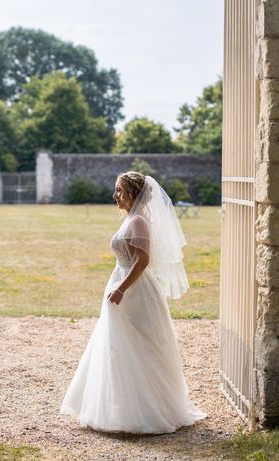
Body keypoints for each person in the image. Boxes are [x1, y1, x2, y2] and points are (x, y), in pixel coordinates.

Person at [61, 171, 206, 434]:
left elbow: (142, 261)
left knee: (138, 344)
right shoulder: (131, 219)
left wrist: (121, 289)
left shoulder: (139, 221)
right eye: (116, 190)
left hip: (134, 290)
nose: (114, 195)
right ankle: (119, 405)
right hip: (121, 282)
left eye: (119, 190)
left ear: (133, 193)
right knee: (118, 345)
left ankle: (149, 409)